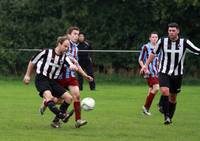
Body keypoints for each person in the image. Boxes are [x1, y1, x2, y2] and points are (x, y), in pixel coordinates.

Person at [140, 22, 200, 125]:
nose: (171, 32)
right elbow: (153, 53)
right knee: (164, 91)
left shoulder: (184, 42)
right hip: (164, 72)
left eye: (173, 30)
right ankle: (166, 117)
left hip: (177, 74)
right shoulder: (162, 41)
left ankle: (170, 118)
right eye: (169, 31)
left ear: (178, 31)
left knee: (173, 98)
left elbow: (197, 50)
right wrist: (145, 65)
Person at [23, 36, 78, 128]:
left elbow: (70, 64)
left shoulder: (64, 56)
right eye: (65, 46)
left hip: (53, 81)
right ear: (59, 44)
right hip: (41, 79)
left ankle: (56, 121)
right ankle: (62, 115)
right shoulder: (46, 52)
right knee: (49, 97)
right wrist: (27, 75)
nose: (66, 48)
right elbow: (32, 61)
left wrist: (73, 67)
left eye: (68, 47)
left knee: (68, 98)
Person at [138, 32, 159, 116]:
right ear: (149, 38)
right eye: (153, 37)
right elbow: (140, 59)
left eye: (156, 37)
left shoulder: (159, 47)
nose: (154, 38)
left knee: (151, 90)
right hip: (149, 71)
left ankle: (146, 110)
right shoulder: (146, 47)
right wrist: (144, 67)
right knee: (156, 88)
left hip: (158, 71)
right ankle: (147, 107)